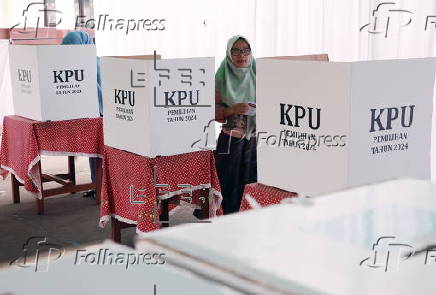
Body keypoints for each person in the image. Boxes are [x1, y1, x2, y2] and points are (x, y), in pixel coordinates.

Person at [214, 35, 257, 214]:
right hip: (230, 142)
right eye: (236, 51)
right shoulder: (222, 76)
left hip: (255, 141)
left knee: (252, 187)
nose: (242, 55)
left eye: (246, 51)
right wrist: (233, 110)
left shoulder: (258, 72)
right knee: (228, 188)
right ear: (229, 53)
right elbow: (212, 113)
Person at [61, 31, 102, 198]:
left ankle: (102, 188)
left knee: (98, 152)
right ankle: (97, 185)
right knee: (93, 152)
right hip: (88, 113)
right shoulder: (74, 61)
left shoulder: (94, 62)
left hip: (101, 113)